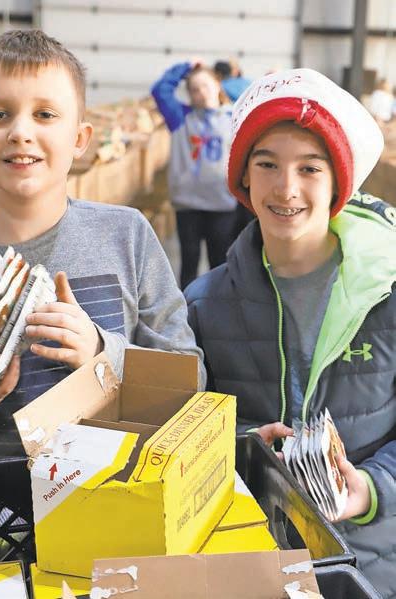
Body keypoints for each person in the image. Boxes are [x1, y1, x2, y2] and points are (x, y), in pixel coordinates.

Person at [0, 30, 205, 458]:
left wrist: (101, 352)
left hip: (117, 488)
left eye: (45, 114)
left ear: (80, 139)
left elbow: (189, 376)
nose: (20, 132)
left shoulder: (127, 235)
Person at [185, 68, 396, 597]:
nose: (286, 188)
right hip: (254, 561)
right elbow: (185, 431)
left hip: (374, 564)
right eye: (267, 164)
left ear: (339, 183)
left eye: (310, 168)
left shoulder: (388, 293)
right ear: (243, 178)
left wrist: (370, 488)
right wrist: (241, 449)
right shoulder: (204, 305)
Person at [151, 61, 242, 289]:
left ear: (218, 85)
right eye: (194, 89)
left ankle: (218, 305)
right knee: (189, 261)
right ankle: (187, 307)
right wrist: (185, 67)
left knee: (220, 263)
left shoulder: (234, 117)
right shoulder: (180, 117)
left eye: (206, 86)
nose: (201, 92)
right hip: (188, 204)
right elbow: (160, 90)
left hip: (222, 204)